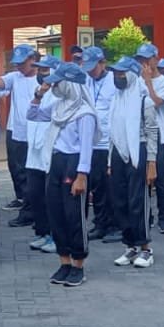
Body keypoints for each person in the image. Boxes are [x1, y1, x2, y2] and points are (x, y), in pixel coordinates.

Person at [28, 62, 97, 287]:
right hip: (55, 162)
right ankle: (64, 261)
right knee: (55, 213)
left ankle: (78, 264)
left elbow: (86, 146)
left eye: (58, 81)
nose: (54, 85)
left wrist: (81, 175)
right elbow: (33, 114)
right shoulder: (59, 106)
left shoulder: (83, 112)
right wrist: (39, 94)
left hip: (74, 163)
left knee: (74, 215)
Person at [107, 56, 158, 269]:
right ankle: (130, 246)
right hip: (119, 152)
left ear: (131, 74)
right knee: (120, 202)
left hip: (139, 150)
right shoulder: (116, 99)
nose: (118, 76)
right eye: (115, 73)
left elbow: (152, 131)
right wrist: (110, 161)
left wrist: (152, 162)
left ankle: (146, 249)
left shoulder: (144, 100)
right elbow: (112, 132)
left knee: (138, 203)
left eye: (121, 73)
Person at [0, 45, 40, 227]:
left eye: (22, 63)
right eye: (17, 64)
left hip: (35, 133)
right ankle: (24, 203)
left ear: (32, 59)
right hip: (15, 131)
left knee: (32, 174)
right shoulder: (15, 77)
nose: (19, 67)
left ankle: (30, 212)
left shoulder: (43, 79)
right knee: (17, 170)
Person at [25, 54, 61, 254]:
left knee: (51, 199)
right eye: (39, 70)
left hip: (50, 153)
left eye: (45, 71)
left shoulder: (60, 94)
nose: (41, 74)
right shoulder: (39, 92)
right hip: (34, 153)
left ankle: (56, 236)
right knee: (35, 195)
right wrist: (39, 94)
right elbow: (30, 115)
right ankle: (43, 233)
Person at [80, 46, 117, 241]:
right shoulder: (86, 80)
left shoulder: (114, 81)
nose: (90, 71)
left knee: (110, 187)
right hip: (91, 142)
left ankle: (115, 225)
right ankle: (101, 223)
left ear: (103, 63)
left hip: (108, 143)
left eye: (93, 66)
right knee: (97, 187)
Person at [140, 44, 164, 234]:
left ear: (155, 59)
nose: (144, 64)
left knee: (161, 179)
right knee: (143, 178)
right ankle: (147, 216)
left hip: (160, 133)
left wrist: (147, 83)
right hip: (141, 133)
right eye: (141, 60)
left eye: (147, 59)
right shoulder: (137, 80)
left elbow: (157, 102)